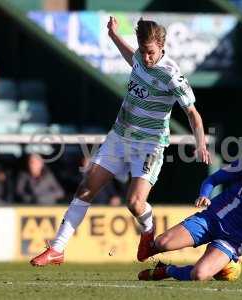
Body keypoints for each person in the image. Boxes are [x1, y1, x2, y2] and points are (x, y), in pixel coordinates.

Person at [30, 16, 211, 266]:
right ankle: (58, 248)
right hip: (119, 137)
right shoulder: (139, 57)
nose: (146, 58)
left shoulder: (172, 76)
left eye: (150, 53)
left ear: (161, 46)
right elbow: (131, 56)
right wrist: (114, 35)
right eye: (143, 51)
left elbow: (193, 113)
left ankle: (148, 231)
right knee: (86, 187)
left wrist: (200, 143)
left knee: (135, 203)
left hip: (150, 145)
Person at [138, 131, 242, 282]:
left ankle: (168, 270)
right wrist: (204, 195)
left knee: (199, 275)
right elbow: (212, 180)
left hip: (235, 239)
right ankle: (222, 265)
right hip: (213, 218)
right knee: (162, 243)